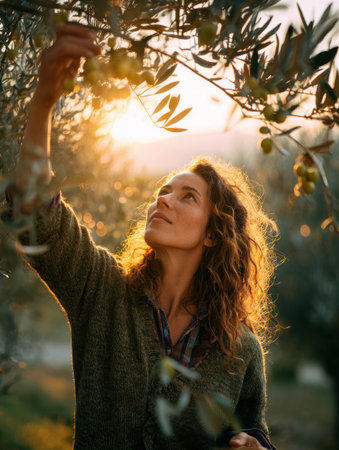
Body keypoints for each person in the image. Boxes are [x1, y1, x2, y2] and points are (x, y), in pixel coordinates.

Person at [5, 23, 278, 450]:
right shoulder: (102, 291)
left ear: (213, 235)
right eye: (163, 191)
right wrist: (43, 102)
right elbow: (35, 209)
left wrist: (253, 444)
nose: (164, 200)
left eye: (187, 196)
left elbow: (251, 427)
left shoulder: (240, 348)